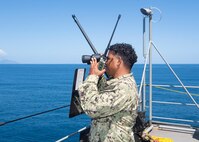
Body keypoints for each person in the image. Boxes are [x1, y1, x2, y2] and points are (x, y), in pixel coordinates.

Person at [78, 43, 138, 142]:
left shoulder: (124, 88)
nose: (106, 62)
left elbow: (91, 107)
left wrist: (92, 76)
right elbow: (102, 93)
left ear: (118, 61)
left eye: (108, 59)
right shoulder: (118, 83)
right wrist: (99, 72)